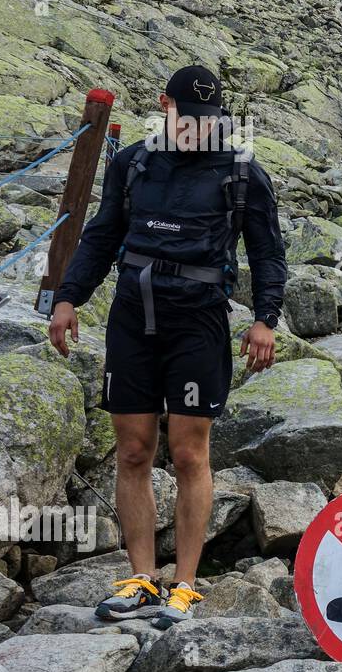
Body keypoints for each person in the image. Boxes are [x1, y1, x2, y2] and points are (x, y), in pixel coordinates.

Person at [48, 65, 288, 629]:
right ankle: (140, 578)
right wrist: (68, 298)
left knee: (188, 453)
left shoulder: (243, 173)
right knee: (133, 451)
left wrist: (266, 319)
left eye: (210, 122)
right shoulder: (133, 164)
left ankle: (184, 584)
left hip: (198, 323)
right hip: (132, 319)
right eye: (190, 119)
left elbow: (267, 252)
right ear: (165, 105)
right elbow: (103, 233)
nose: (200, 131)